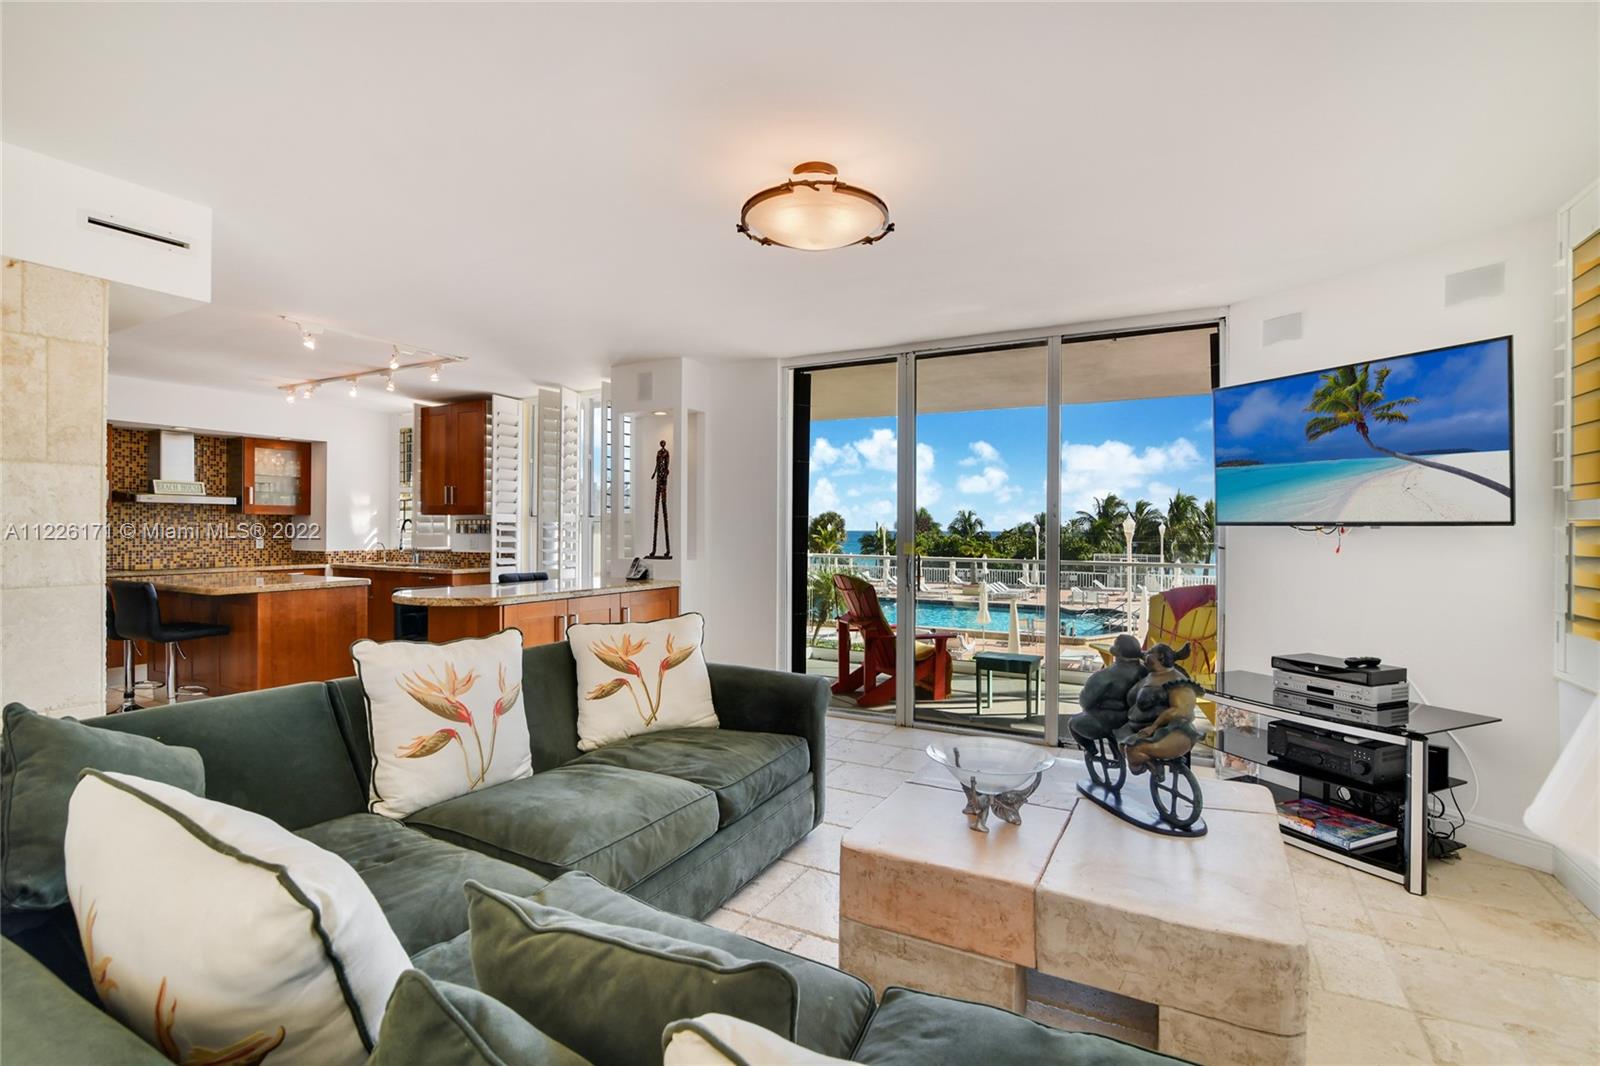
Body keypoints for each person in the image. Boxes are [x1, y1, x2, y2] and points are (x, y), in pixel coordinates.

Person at [1118, 643, 1207, 775]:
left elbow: (1180, 711)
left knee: (1133, 750)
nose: (1146, 655)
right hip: (1139, 727)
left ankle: (1151, 765)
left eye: (1150, 652)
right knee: (1119, 738)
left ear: (1160, 658)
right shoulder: (1151, 675)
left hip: (1172, 733)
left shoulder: (1177, 681)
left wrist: (1153, 727)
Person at [1068, 633, 1145, 752]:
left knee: (1073, 723)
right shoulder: (1146, 672)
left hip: (1107, 722)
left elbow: (1085, 701)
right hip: (1137, 721)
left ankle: (1091, 750)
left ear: (1116, 652)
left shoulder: (1104, 676)